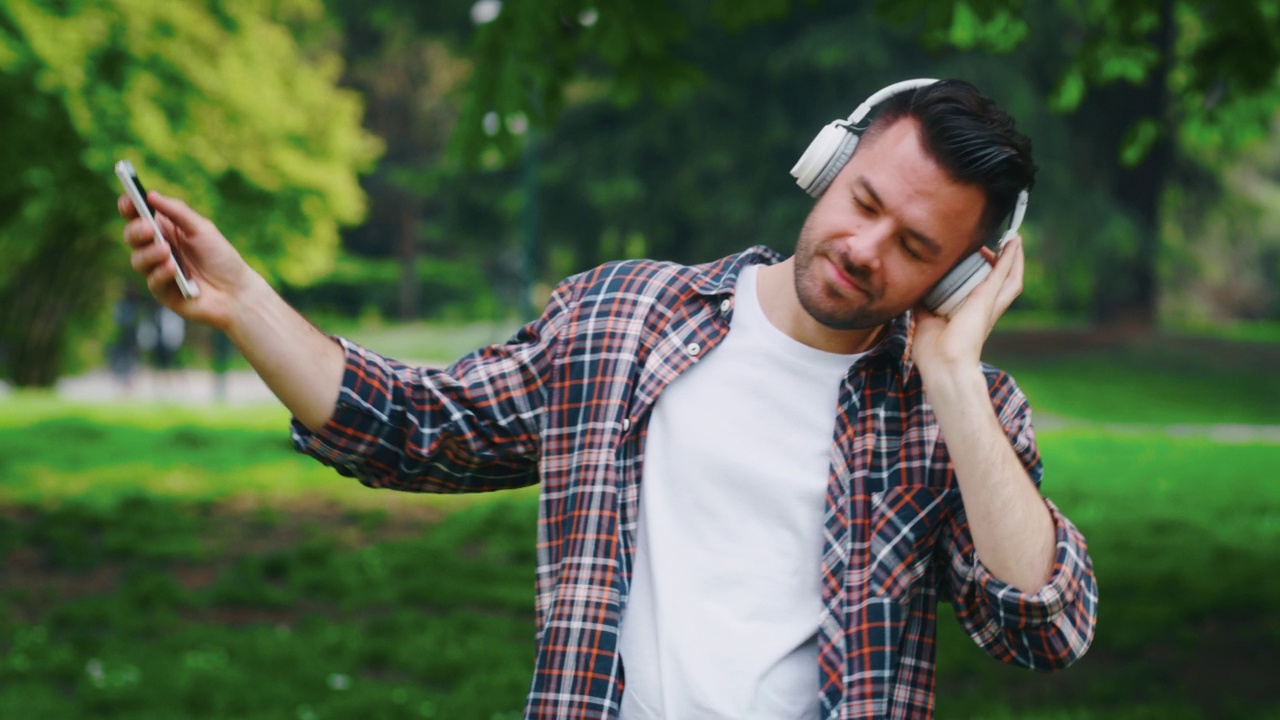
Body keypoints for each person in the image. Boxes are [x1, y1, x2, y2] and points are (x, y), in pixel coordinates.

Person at [119, 78, 1097, 719]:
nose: (865, 250)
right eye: (864, 204)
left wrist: (955, 373)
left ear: (957, 276)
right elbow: (413, 427)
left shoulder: (955, 415)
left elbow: (1041, 625)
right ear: (825, 166)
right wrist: (242, 301)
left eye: (914, 248)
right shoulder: (622, 318)